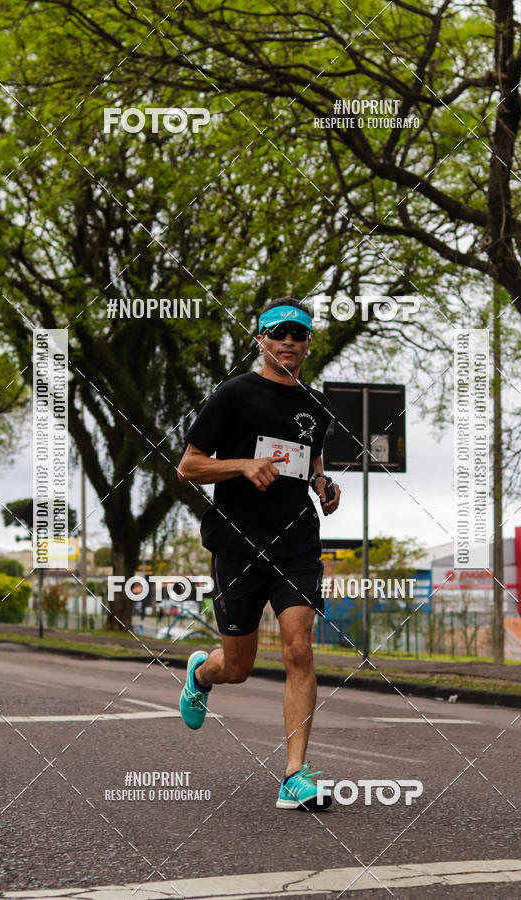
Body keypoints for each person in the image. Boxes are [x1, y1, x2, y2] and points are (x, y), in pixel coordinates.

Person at [176, 297, 341, 810]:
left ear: (309, 344)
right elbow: (189, 466)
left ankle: (295, 773)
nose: (289, 341)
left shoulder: (316, 407)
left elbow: (311, 465)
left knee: (298, 648)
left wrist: (323, 485)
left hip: (297, 543)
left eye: (299, 334)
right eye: (279, 333)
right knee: (240, 665)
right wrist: (243, 465)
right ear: (261, 340)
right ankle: (203, 672)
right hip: (238, 543)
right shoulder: (234, 394)